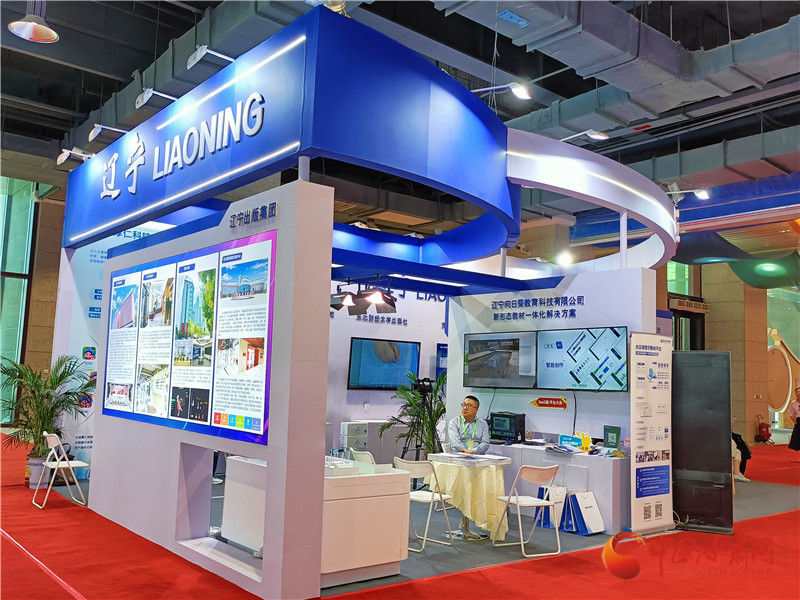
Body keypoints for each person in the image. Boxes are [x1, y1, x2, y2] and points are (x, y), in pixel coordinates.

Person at [788, 384, 800, 458]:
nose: (798, 393)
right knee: (798, 439)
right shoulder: (793, 403)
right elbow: (790, 413)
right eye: (797, 392)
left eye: (799, 392)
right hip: (799, 421)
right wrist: (794, 421)